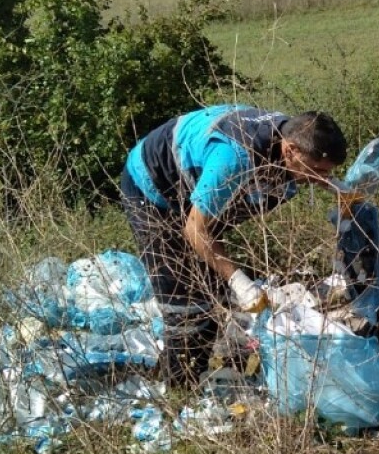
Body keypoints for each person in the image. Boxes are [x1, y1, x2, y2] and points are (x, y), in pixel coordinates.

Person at [120, 104, 347, 385]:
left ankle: (192, 369)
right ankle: (178, 390)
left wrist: (340, 186)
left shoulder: (294, 139)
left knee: (212, 290)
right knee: (182, 300)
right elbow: (196, 229)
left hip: (200, 190)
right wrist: (240, 282)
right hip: (153, 189)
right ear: (290, 151)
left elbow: (304, 167)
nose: (321, 179)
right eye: (317, 171)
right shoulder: (235, 158)